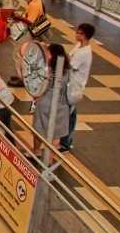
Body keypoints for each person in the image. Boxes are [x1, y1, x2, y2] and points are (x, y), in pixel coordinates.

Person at [30, 44, 71, 158]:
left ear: (52, 55)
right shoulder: (67, 70)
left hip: (45, 101)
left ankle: (36, 150)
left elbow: (39, 85)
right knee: (56, 134)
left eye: (48, 53)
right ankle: (50, 158)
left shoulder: (48, 70)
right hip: (62, 104)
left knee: (38, 128)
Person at [60, 23, 95, 152]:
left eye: (79, 33)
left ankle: (65, 143)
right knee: (71, 114)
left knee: (69, 114)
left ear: (85, 36)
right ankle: (67, 141)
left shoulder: (84, 52)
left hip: (75, 87)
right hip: (72, 84)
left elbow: (71, 65)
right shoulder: (79, 47)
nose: (76, 34)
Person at [8, 0, 46, 86]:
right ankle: (22, 74)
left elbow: (31, 22)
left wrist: (19, 18)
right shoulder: (36, 1)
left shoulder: (35, 4)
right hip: (29, 31)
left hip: (30, 32)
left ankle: (22, 76)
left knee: (18, 52)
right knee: (24, 53)